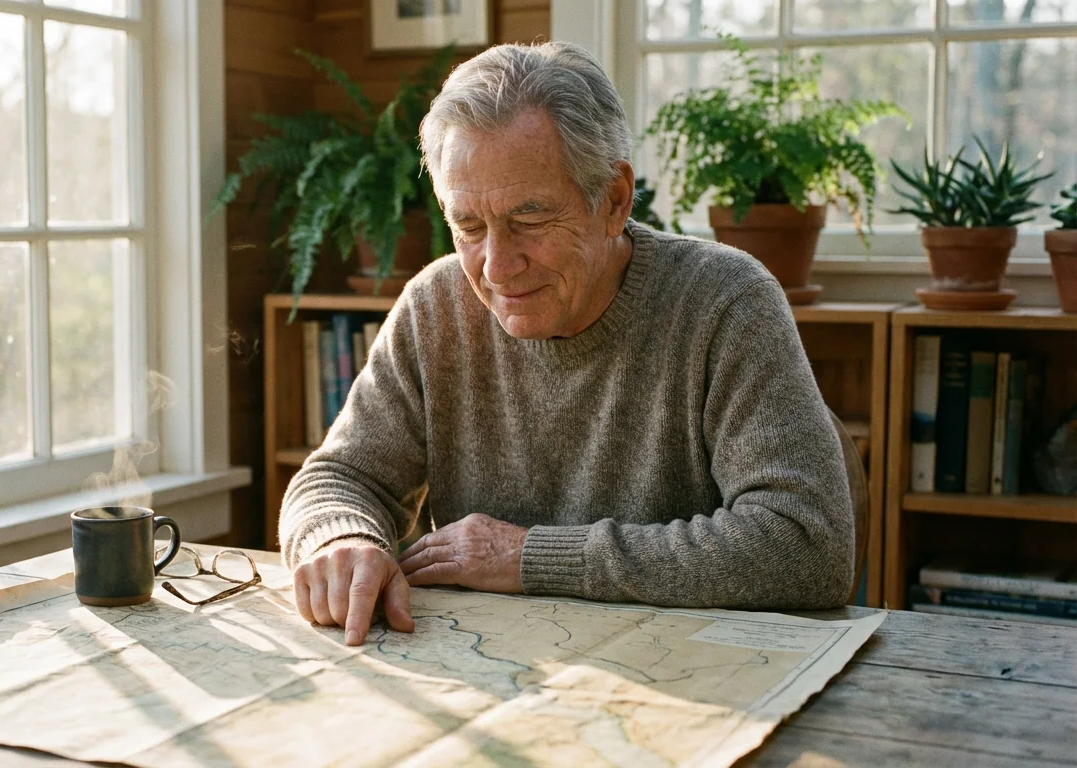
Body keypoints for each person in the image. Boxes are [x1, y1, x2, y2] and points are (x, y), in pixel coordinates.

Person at [279, 41, 853, 647]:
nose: (497, 268)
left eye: (530, 221)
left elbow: (806, 544)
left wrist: (530, 557)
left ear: (614, 201)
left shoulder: (726, 301)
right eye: (468, 227)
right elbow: (339, 478)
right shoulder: (435, 307)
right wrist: (342, 540)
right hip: (493, 677)